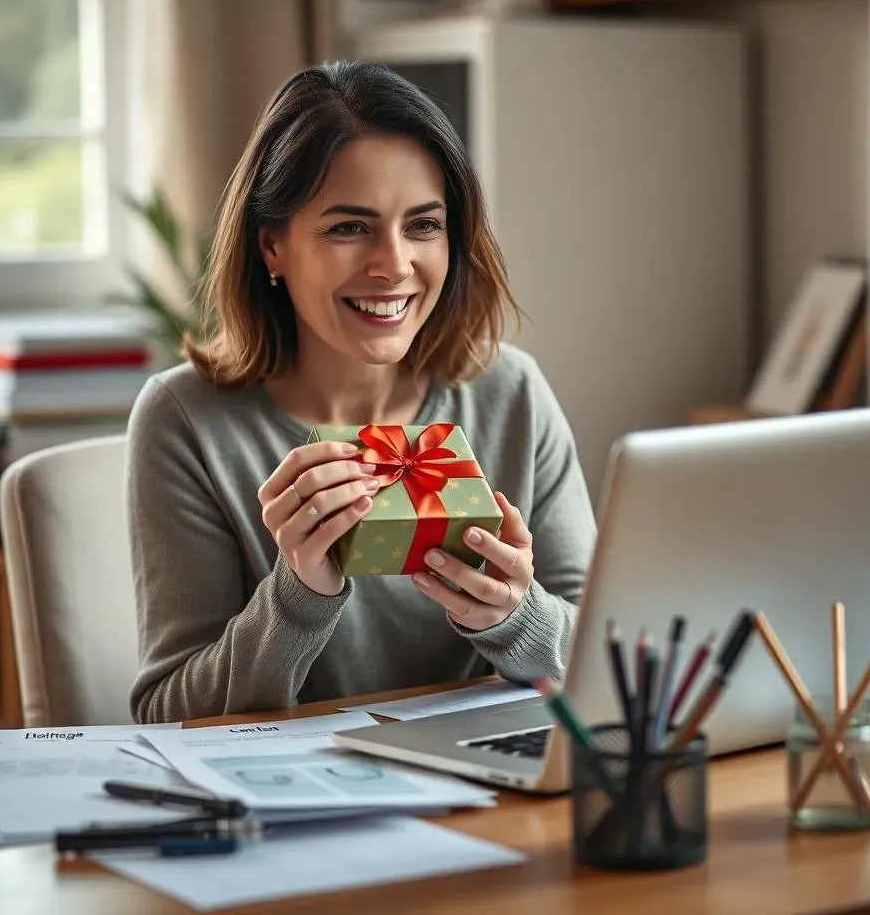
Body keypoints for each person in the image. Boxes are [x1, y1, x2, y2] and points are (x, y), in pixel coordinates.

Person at [127, 61, 596, 724]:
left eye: (424, 225)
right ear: (272, 246)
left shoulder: (512, 394)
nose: (394, 264)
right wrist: (298, 595)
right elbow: (165, 713)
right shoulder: (187, 423)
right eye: (349, 228)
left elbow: (602, 662)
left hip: (495, 797)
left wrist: (515, 617)